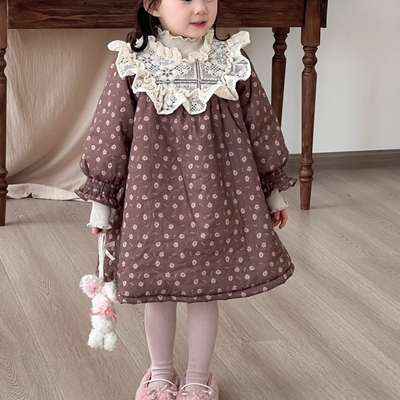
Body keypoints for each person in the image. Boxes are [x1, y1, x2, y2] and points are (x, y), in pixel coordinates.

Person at [76, 0, 296, 399]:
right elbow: (110, 134)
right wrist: (101, 202)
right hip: (151, 205)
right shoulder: (133, 64)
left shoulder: (232, 60)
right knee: (159, 290)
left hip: (219, 202)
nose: (200, 8)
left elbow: (261, 127)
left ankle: (198, 376)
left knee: (205, 291)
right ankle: (160, 373)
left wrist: (272, 192)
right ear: (153, 6)